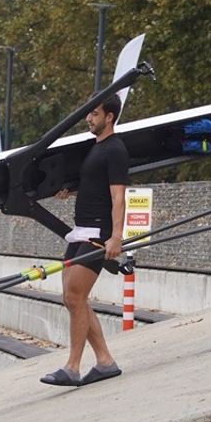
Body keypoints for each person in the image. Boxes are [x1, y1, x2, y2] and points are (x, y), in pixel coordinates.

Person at [40, 94, 128, 387]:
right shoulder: (96, 148)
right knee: (71, 297)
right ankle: (104, 361)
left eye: (94, 114)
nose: (89, 119)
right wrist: (72, 192)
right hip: (81, 230)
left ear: (110, 117)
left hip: (98, 234)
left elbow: (118, 197)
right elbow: (97, 188)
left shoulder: (115, 149)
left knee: (75, 297)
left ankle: (73, 367)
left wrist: (116, 237)